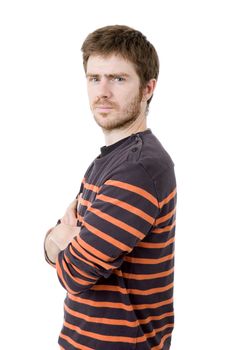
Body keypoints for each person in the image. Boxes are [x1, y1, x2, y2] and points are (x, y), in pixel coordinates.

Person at [44, 24, 177, 350]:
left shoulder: (139, 169)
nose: (102, 91)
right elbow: (60, 243)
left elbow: (74, 274)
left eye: (118, 78)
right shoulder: (109, 161)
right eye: (94, 78)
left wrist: (62, 241)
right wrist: (59, 240)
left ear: (148, 87)